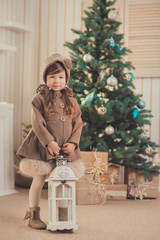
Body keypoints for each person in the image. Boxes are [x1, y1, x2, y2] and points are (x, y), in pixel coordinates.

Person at [17, 53, 85, 230]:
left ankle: (63, 215)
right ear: (45, 78)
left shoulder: (71, 100)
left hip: (65, 149)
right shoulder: (39, 98)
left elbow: (78, 123)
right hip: (43, 147)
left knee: (64, 182)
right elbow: (37, 123)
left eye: (61, 77)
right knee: (39, 179)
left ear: (66, 78)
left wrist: (73, 143)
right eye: (52, 76)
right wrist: (48, 142)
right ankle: (34, 213)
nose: (57, 81)